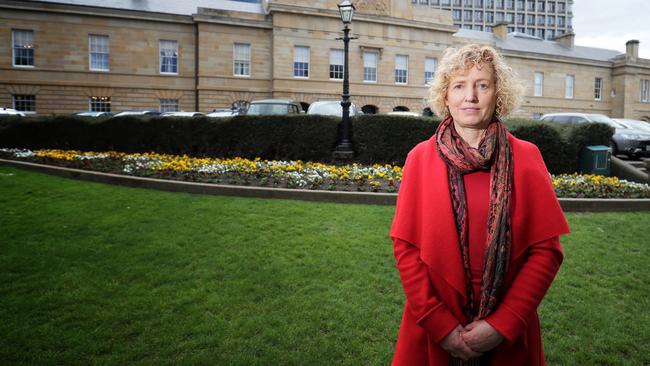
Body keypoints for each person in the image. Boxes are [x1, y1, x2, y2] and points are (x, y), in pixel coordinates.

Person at [390, 44, 570, 366]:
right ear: (445, 96)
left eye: (481, 85)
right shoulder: (420, 158)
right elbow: (406, 249)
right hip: (432, 330)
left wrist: (502, 324)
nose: (470, 97)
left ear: (497, 94)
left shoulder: (526, 157)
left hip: (507, 333)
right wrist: (441, 326)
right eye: (459, 86)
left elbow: (546, 252)